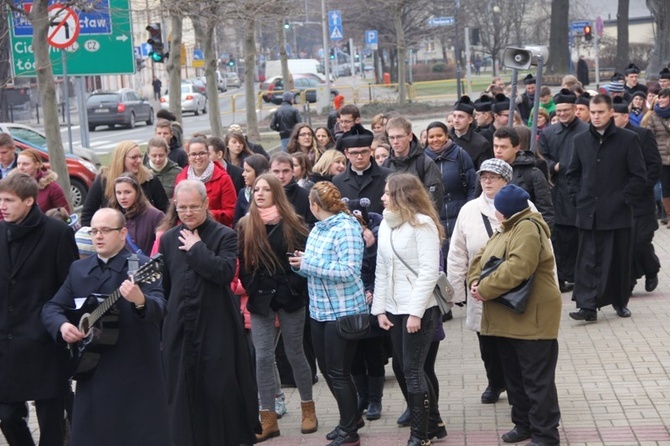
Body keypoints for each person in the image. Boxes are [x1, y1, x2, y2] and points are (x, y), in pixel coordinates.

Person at [41, 208, 169, 446]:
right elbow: (51, 308)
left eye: (105, 231)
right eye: (94, 231)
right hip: (92, 371)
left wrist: (140, 300)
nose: (98, 236)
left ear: (122, 233)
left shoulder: (141, 267)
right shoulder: (78, 269)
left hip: (135, 372)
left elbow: (160, 307)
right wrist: (62, 326)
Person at [160, 180, 260, 445]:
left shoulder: (224, 235)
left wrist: (196, 248)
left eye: (194, 206)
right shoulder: (168, 239)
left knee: (218, 387)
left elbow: (224, 273)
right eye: (182, 208)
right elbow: (165, 287)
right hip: (180, 326)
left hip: (216, 325)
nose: (188, 213)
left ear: (205, 204)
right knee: (183, 389)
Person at [468, 184, 562, 446]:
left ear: (503, 210)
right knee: (515, 378)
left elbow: (519, 266)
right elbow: (480, 259)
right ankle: (524, 425)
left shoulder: (528, 228)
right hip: (507, 319)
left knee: (536, 381)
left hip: (532, 319)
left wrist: (484, 289)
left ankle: (545, 434)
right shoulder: (506, 228)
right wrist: (475, 282)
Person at [0, 173, 78, 446]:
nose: (2, 205)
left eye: (9, 200)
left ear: (29, 201)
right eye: (1, 199)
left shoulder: (57, 233)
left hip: (45, 341)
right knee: (7, 415)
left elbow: (69, 286)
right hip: (7, 343)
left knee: (51, 423)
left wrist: (60, 326)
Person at [288, 181, 368, 446]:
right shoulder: (318, 229)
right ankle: (351, 418)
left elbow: (349, 270)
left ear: (314, 205)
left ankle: (350, 433)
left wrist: (309, 263)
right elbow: (316, 269)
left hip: (343, 311)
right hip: (319, 311)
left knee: (338, 372)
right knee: (327, 370)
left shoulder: (346, 227)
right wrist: (301, 263)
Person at [237, 174, 317, 441]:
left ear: (276, 194)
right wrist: (252, 288)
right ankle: (267, 417)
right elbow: (244, 265)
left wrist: (291, 288)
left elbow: (301, 262)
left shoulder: (293, 223)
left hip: (289, 296)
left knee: (295, 352)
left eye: (265, 189)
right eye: (256, 189)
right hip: (260, 299)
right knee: (262, 357)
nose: (259, 193)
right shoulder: (246, 224)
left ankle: (308, 408)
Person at [372, 173, 445, 446]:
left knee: (413, 370)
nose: (382, 197)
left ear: (402, 196)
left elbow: (428, 272)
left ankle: (420, 435)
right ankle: (435, 423)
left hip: (420, 308)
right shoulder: (386, 225)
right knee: (403, 367)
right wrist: (380, 310)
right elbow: (382, 269)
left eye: (388, 193)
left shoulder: (423, 224)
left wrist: (416, 312)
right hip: (393, 308)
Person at [567, 94, 647, 321]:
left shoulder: (628, 139)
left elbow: (638, 177)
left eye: (600, 112)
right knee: (587, 262)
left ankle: (620, 301)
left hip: (617, 213)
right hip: (588, 213)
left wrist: (623, 199)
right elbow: (572, 174)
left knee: (618, 260)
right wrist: (577, 197)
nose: (596, 116)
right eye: (592, 112)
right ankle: (587, 306)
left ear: (611, 112)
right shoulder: (580, 140)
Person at [448, 159, 518, 406]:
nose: (487, 181)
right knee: (486, 341)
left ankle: (514, 385)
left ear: (506, 181)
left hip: (513, 287)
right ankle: (495, 382)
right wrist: (456, 290)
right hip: (479, 288)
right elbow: (457, 251)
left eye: (493, 177)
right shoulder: (469, 210)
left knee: (511, 341)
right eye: (483, 177)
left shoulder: (523, 206)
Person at [538, 89, 589, 292]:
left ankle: (580, 277)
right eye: (559, 111)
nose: (562, 114)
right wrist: (555, 166)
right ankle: (563, 276)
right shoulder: (549, 133)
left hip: (581, 192)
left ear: (575, 109)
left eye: (566, 110)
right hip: (557, 192)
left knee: (580, 239)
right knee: (560, 239)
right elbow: (541, 158)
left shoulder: (586, 130)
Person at [612, 97, 662, 293]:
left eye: (614, 116)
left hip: (641, 202)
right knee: (625, 245)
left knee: (640, 242)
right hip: (620, 202)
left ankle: (651, 269)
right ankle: (628, 282)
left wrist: (641, 187)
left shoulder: (643, 135)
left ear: (625, 117)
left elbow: (654, 166)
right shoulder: (607, 138)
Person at [81, 141, 169, 226]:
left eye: (140, 157)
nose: (138, 161)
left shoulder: (149, 179)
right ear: (121, 158)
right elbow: (87, 215)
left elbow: (165, 210)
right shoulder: (103, 180)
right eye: (134, 157)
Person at [493, 127, 554, 229]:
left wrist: (542, 236)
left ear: (516, 148)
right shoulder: (487, 173)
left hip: (524, 231)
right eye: (495, 146)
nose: (498, 151)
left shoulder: (532, 173)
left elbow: (545, 210)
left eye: (503, 147)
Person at [424, 121, 476, 239]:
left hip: (460, 214)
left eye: (439, 135)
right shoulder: (423, 160)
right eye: (431, 137)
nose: (435, 139)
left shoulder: (461, 155)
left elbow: (472, 185)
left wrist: (468, 210)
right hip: (435, 217)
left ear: (447, 136)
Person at [382, 116, 444, 211]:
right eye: (391, 137)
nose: (395, 142)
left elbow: (435, 200)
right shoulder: (385, 165)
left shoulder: (424, 163)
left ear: (410, 136)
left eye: (399, 137)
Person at [175, 136, 237, 227]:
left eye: (202, 153)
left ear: (208, 154)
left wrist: (205, 214)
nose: (198, 157)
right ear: (188, 156)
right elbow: (176, 209)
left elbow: (232, 213)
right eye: (193, 154)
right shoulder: (181, 178)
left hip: (216, 229)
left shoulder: (223, 179)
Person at [333, 131, 392, 215]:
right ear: (346, 153)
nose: (360, 157)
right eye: (354, 153)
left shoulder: (388, 176)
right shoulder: (337, 181)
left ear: (370, 151)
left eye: (364, 152)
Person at [109, 173, 165, 255]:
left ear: (137, 192)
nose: (122, 197)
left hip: (146, 265)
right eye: (118, 193)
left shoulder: (155, 216)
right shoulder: (112, 216)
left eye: (127, 192)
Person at [15, 148, 70, 213]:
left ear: (37, 165)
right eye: (18, 164)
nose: (20, 167)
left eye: (25, 164)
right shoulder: (13, 185)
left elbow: (65, 216)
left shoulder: (52, 188)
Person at [645, 87, 670, 227]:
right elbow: (650, 136)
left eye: (664, 97)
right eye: (659, 97)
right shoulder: (654, 116)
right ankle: (668, 215)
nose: (660, 100)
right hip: (661, 157)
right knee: (666, 187)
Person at [270, 152, 316, 226]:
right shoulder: (261, 195)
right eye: (276, 171)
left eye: (286, 171)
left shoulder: (306, 197)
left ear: (293, 171)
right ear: (270, 171)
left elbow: (312, 226)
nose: (281, 176)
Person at [448, 96, 493, 169]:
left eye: (461, 117)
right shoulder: (445, 137)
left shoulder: (481, 144)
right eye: (454, 116)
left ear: (470, 120)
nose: (456, 120)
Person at [234, 153, 270, 225]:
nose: (243, 174)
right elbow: (236, 223)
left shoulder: (272, 192)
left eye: (247, 171)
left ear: (258, 172)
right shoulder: (243, 193)